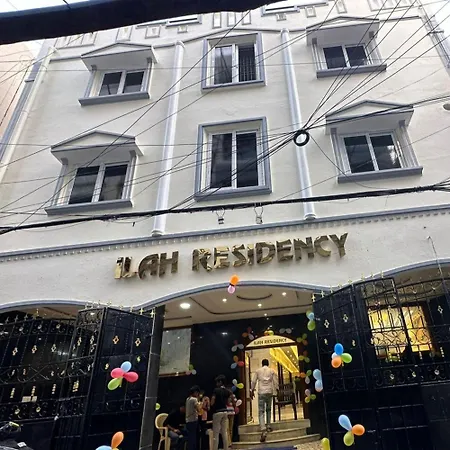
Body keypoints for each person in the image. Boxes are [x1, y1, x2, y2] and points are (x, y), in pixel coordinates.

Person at [250, 359, 278, 443]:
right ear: (268, 364)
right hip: (269, 391)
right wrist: (277, 390)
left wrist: (252, 390)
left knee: (261, 411)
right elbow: (275, 381)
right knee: (268, 409)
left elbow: (253, 381)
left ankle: (263, 428)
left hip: (261, 392)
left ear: (262, 364)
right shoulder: (271, 371)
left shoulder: (258, 371)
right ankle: (268, 425)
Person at [211, 375, 234, 450]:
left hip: (217, 412)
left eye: (217, 382)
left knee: (216, 433)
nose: (216, 384)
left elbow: (212, 401)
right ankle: (226, 448)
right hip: (225, 411)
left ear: (220, 382)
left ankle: (215, 448)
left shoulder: (216, 390)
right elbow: (228, 402)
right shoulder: (227, 391)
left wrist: (211, 404)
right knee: (224, 432)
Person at [185, 385, 201, 450]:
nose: (198, 394)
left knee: (190, 438)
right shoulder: (194, 399)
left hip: (188, 421)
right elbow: (199, 409)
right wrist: (200, 403)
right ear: (195, 392)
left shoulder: (187, 399)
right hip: (193, 420)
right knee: (193, 438)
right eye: (197, 393)